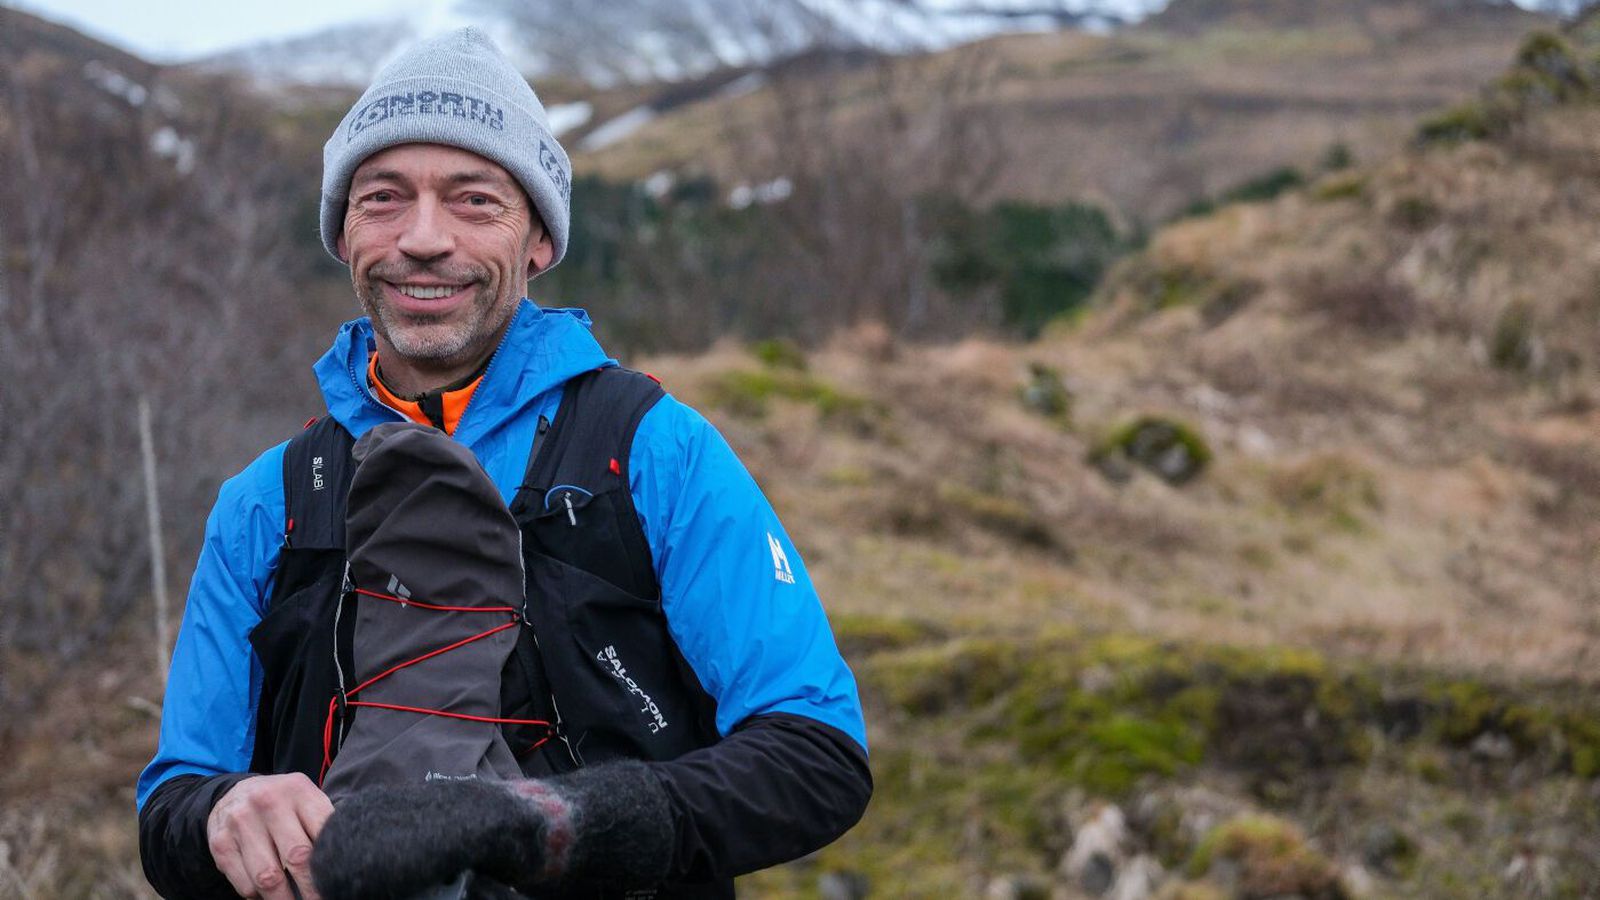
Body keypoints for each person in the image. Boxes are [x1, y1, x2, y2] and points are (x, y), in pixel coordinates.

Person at [136, 27, 870, 900]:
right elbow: (172, 807)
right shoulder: (269, 503)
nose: (422, 238)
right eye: (383, 197)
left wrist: (552, 825)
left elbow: (817, 755)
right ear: (342, 233)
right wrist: (221, 810)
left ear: (539, 241)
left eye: (474, 200)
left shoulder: (653, 453)